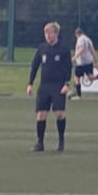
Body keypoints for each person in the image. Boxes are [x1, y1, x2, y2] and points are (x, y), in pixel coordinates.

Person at [26, 21, 73, 152]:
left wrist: (66, 84)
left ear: (56, 34)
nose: (47, 35)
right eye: (46, 33)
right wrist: (30, 83)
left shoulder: (63, 49)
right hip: (44, 86)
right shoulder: (42, 48)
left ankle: (61, 141)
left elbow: (68, 68)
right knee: (41, 114)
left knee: (59, 113)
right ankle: (40, 143)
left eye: (50, 33)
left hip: (58, 86)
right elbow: (35, 66)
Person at [73, 28, 97, 97]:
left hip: (82, 62)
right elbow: (92, 50)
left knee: (76, 77)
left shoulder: (80, 39)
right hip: (89, 61)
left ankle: (78, 94)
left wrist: (74, 57)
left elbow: (81, 49)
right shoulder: (88, 39)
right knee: (91, 77)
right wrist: (95, 61)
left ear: (77, 34)